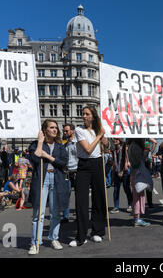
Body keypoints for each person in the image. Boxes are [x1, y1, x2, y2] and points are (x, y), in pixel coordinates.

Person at [28, 119, 69, 255]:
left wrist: (48, 157)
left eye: (56, 128)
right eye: (51, 127)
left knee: (55, 212)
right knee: (38, 213)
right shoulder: (35, 144)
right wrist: (40, 142)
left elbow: (64, 163)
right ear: (45, 130)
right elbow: (34, 159)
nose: (55, 130)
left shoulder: (59, 146)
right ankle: (35, 242)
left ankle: (54, 238)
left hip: (56, 179)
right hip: (42, 179)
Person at [69, 106, 108, 247]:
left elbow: (106, 146)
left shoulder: (98, 130)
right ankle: (81, 236)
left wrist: (104, 140)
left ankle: (98, 231)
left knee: (99, 197)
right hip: (84, 165)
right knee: (81, 200)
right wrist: (99, 136)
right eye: (83, 114)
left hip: (97, 163)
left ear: (93, 116)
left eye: (87, 114)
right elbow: (88, 149)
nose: (84, 116)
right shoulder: (80, 130)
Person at [127, 138, 152, 227]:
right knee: (138, 197)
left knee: (137, 196)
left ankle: (137, 217)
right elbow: (139, 161)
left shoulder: (131, 145)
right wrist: (146, 151)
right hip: (137, 174)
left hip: (135, 174)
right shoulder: (136, 147)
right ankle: (137, 218)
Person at [110, 138, 132, 214]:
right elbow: (114, 161)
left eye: (117, 139)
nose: (115, 140)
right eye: (114, 139)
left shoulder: (124, 149)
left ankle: (130, 204)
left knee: (126, 188)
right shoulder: (114, 150)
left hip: (125, 171)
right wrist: (113, 172)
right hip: (117, 171)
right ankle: (116, 207)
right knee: (116, 190)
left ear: (120, 140)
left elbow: (126, 159)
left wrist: (122, 171)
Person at [62, 123, 78, 223]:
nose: (64, 132)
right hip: (67, 171)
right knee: (66, 194)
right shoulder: (65, 144)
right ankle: (65, 216)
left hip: (76, 170)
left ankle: (79, 214)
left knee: (78, 195)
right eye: (64, 131)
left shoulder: (77, 144)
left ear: (72, 131)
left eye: (66, 131)